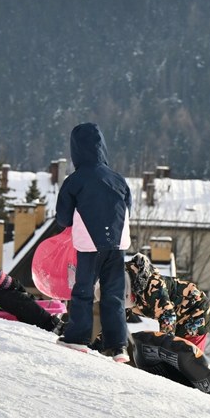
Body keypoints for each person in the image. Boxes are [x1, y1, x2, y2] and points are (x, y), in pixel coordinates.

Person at [55, 122, 131, 362]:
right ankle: (118, 347)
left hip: (89, 244)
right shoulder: (118, 179)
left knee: (84, 291)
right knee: (114, 294)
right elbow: (128, 207)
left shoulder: (74, 180)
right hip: (118, 244)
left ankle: (77, 338)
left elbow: (63, 218)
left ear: (76, 150)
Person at [125, 252, 210, 353]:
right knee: (177, 351)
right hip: (178, 316)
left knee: (188, 354)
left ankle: (196, 367)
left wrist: (164, 351)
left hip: (196, 310)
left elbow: (168, 317)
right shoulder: (124, 295)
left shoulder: (153, 286)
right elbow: (116, 321)